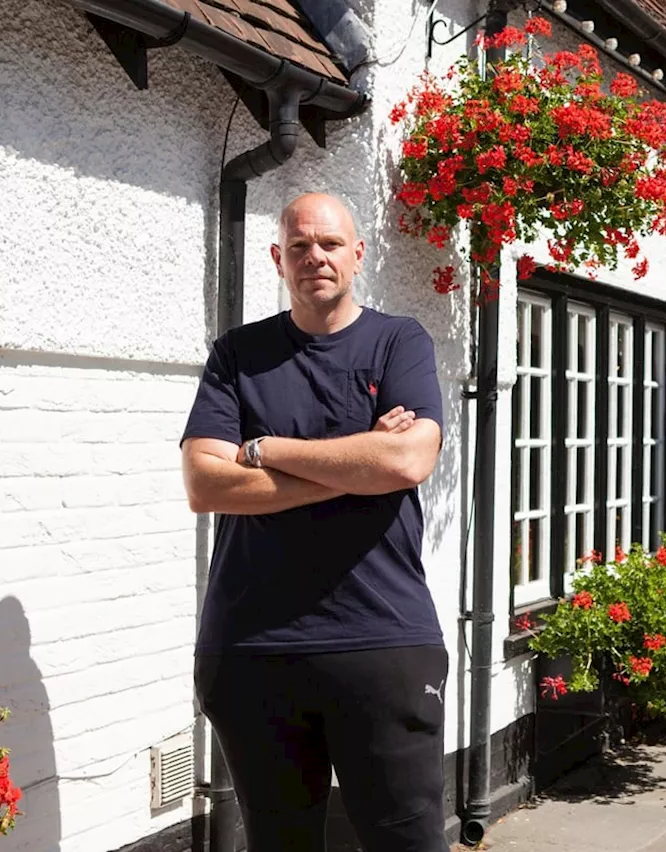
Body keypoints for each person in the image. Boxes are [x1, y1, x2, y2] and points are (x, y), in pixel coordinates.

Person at [179, 192, 448, 851]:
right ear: (278, 258)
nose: (315, 257)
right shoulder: (238, 355)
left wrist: (264, 450)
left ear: (358, 254)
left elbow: (409, 458)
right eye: (299, 246)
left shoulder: (398, 342)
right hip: (252, 649)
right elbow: (206, 482)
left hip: (381, 640)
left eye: (330, 244)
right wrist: (356, 460)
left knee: (406, 841)